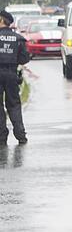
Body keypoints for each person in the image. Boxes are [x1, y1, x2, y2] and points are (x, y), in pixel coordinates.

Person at [0, 10, 30, 145]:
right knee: (14, 105)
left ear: (2, 20)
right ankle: (20, 135)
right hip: (12, 74)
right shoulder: (18, 38)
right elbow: (24, 59)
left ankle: (1, 136)